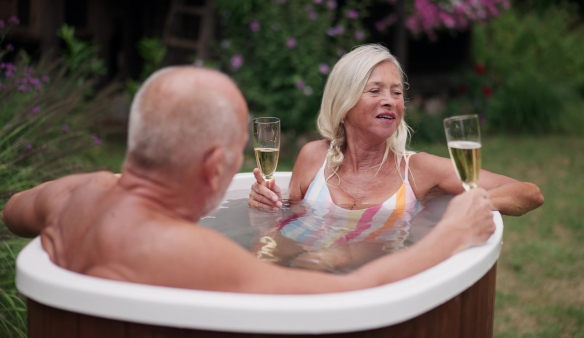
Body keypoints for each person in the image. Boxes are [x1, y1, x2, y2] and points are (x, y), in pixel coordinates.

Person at [4, 65, 498, 294]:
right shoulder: (197, 254)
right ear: (216, 165)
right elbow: (347, 296)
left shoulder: (76, 193)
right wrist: (451, 236)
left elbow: (12, 210)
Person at [249, 44, 544, 217]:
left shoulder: (417, 170)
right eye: (375, 90)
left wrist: (475, 203)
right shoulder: (314, 156)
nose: (389, 100)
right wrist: (266, 202)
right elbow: (290, 222)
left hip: (383, 292)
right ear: (344, 103)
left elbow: (529, 193)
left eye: (397, 93)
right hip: (311, 280)